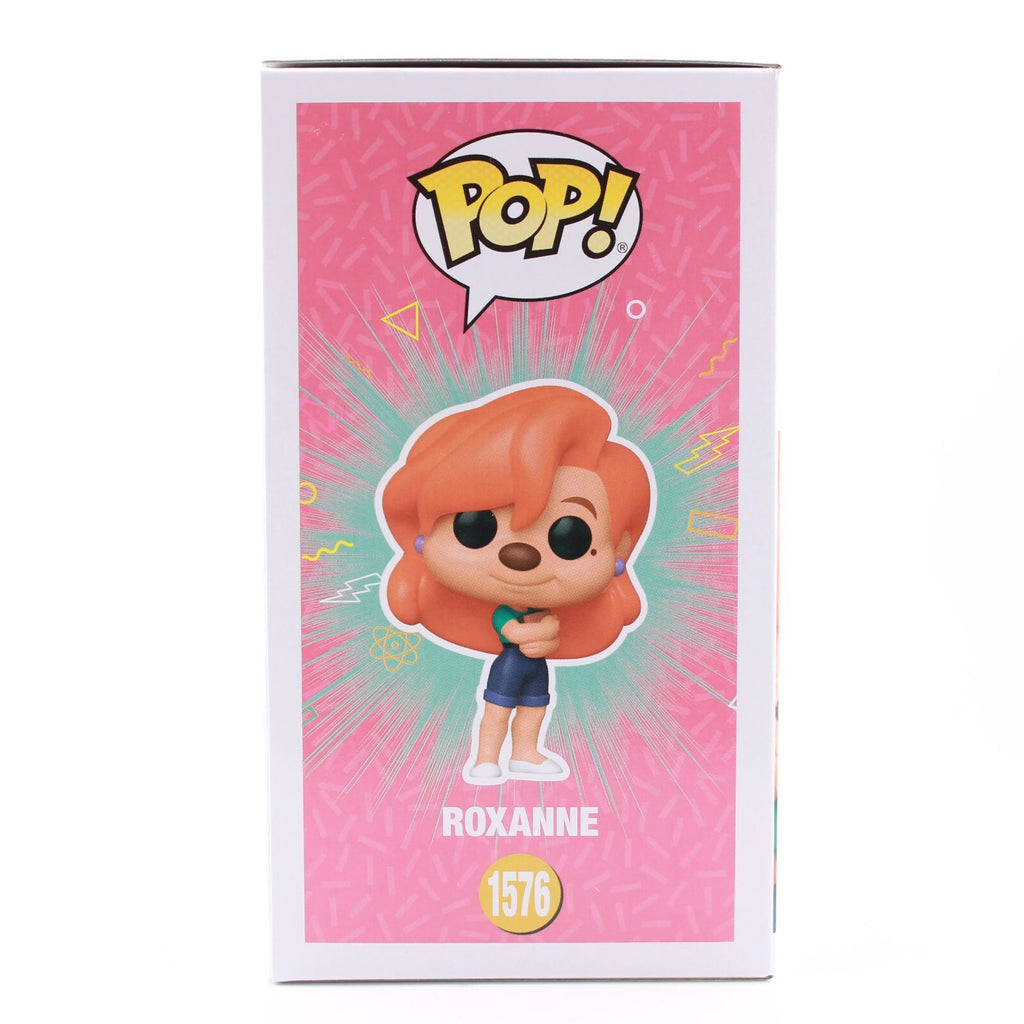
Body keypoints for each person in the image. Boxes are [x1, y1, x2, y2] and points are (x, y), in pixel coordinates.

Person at [380, 384, 652, 783]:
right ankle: (485, 759)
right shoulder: (506, 612)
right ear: (424, 530)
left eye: (570, 538)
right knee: (497, 709)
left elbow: (539, 632)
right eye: (476, 527)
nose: (520, 555)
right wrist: (537, 632)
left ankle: (526, 754)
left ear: (619, 551)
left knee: (535, 709)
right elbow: (509, 628)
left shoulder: (553, 606)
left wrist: (547, 635)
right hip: (509, 665)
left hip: (534, 668)